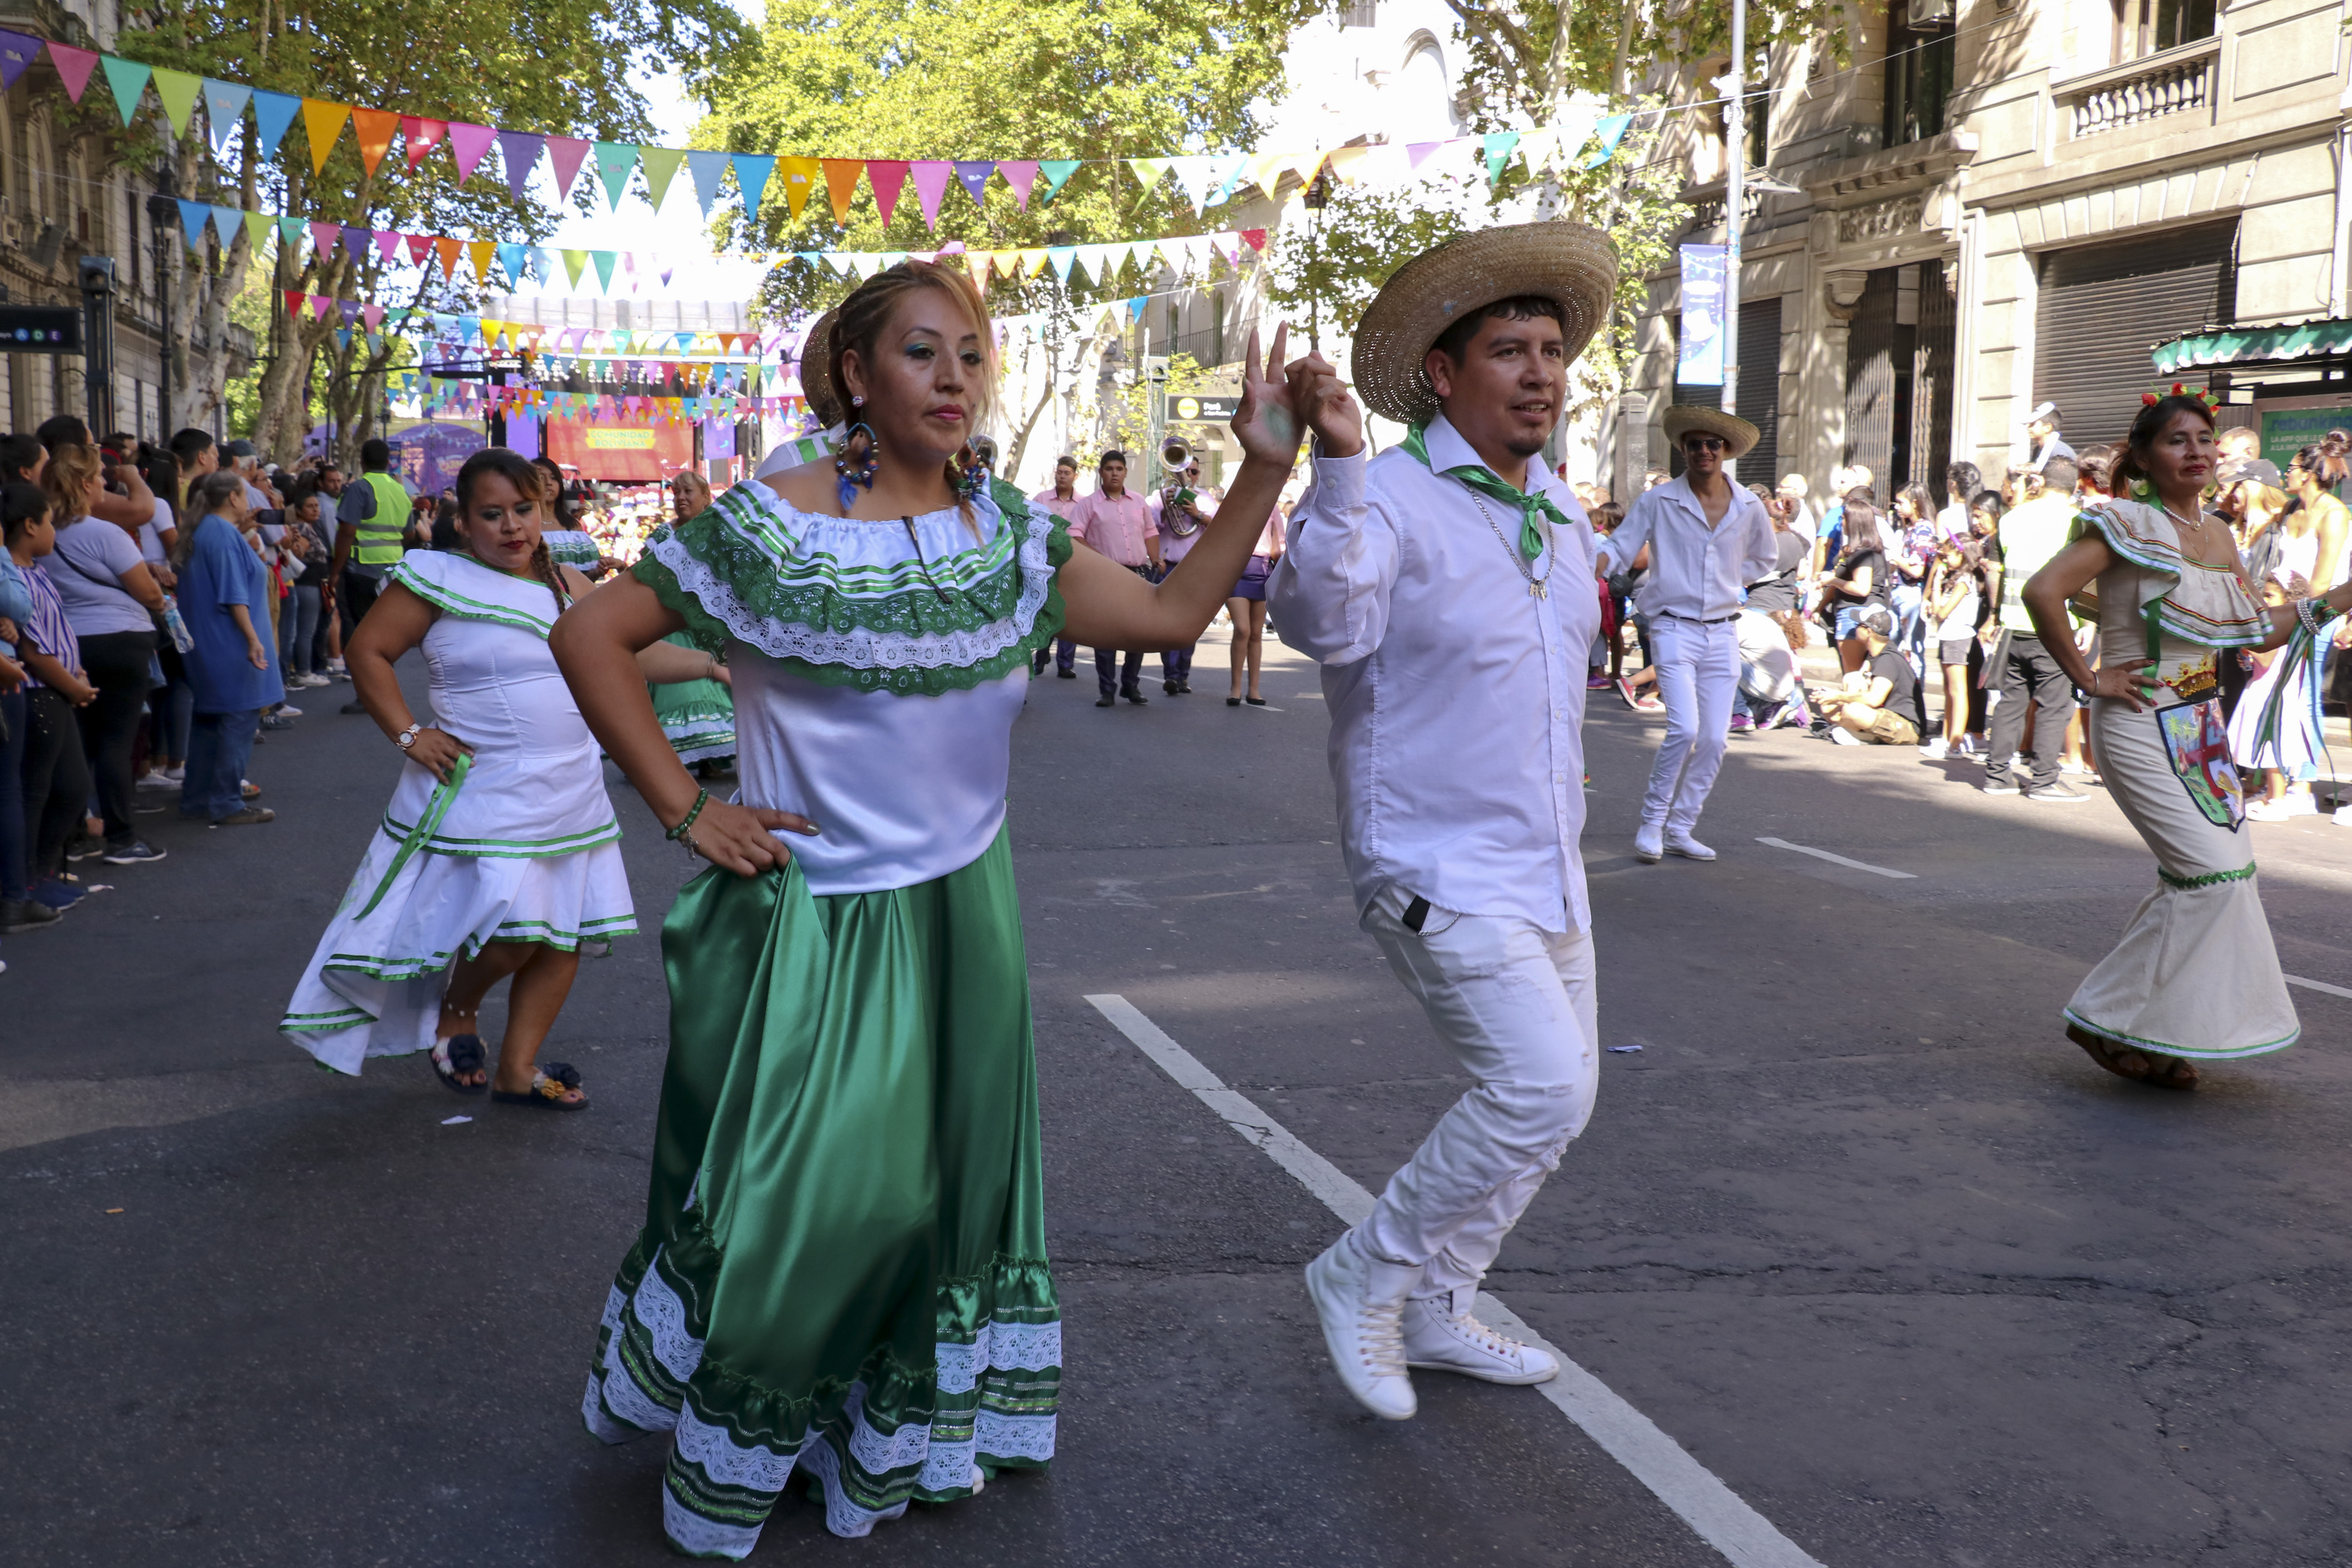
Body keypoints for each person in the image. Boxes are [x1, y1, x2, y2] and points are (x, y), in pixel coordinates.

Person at [548, 259, 1296, 1556]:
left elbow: (1174, 615)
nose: (952, 378)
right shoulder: (769, 523)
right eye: (920, 352)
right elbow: (589, 637)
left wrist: (1264, 467)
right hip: (815, 927)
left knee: (941, 1198)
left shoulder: (1003, 532)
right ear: (857, 371)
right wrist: (683, 806)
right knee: (837, 1203)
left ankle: (862, 1427)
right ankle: (744, 1432)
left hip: (965, 914)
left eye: (968, 355)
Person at [1270, 222, 1617, 1422]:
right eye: (1508, 350)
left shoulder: (1560, 513)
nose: (1538, 373)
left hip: (1544, 863)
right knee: (1527, 1086)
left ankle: (1437, 1299)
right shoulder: (1391, 495)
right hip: (1430, 859)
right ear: (1441, 372)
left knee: (1564, 1098)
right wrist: (1337, 463)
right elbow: (1318, 621)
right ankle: (1360, 1272)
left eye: (1549, 351)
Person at [278, 449, 634, 1100]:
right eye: (491, 514)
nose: (510, 527)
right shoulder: (437, 577)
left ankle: (517, 1069)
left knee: (561, 939)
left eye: (523, 510)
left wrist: (715, 664)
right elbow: (368, 650)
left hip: (572, 790)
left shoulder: (569, 584)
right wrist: (410, 734)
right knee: (519, 928)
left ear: (543, 507)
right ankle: (460, 1007)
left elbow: (633, 654)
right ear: (462, 520)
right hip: (489, 791)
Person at [2020, 390, 2352, 1088]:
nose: (2197, 450)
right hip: (2137, 723)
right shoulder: (2124, 522)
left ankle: (2144, 1028)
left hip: (2199, 729)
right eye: (2177, 440)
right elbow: (2041, 590)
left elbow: (2257, 630)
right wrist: (2090, 676)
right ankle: (2104, 1014)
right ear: (2142, 457)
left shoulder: (2222, 536)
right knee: (2210, 875)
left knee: (2206, 878)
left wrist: (2344, 593)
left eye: (2204, 437)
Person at [1595, 407, 1777, 863]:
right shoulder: (1659, 501)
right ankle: (1652, 823)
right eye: (1694, 444)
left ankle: (1680, 827)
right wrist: (1594, 565)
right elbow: (1620, 545)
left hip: (1722, 631)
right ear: (1683, 450)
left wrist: (1730, 583)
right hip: (1672, 626)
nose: (1703, 451)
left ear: (1725, 450)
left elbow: (1763, 558)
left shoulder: (1748, 505)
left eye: (1712, 444)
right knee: (1685, 729)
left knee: (1715, 738)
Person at [41, 443, 167, 866]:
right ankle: (121, 835)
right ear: (83, 484)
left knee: (76, 743)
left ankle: (74, 832)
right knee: (116, 739)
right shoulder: (105, 533)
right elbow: (148, 592)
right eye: (98, 478)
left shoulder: (43, 533)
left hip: (66, 643)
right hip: (121, 638)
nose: (102, 486)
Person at [171, 472, 281, 828]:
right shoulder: (221, 535)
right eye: (244, 494)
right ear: (233, 498)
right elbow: (235, 596)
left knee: (208, 723)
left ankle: (198, 798)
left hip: (207, 642)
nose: (249, 500)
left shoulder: (207, 531)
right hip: (230, 644)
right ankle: (226, 801)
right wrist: (253, 639)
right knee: (239, 721)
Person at [1982, 457, 2086, 801]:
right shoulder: (2078, 521)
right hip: (2053, 628)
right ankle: (2044, 780)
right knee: (2055, 706)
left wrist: (1996, 616)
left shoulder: (2012, 518)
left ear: (2041, 483)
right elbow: (2087, 577)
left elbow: (1994, 570)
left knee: (2011, 702)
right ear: (2075, 487)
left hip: (2013, 626)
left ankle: (1997, 776)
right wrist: (2089, 623)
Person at [647, 468, 736, 776]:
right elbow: (647, 577)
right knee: (684, 688)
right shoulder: (661, 536)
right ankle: (681, 759)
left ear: (706, 498)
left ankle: (712, 757)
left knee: (715, 684)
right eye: (676, 492)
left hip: (709, 622)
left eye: (688, 492)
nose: (681, 498)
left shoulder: (717, 533)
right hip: (672, 624)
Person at [328, 438, 414, 715]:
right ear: (390, 461)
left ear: (362, 461)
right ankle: (382, 689)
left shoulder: (360, 488)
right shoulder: (400, 491)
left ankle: (366, 694)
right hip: (392, 572)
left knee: (358, 633)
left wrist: (336, 570)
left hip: (361, 570)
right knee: (383, 632)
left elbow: (347, 532)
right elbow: (410, 534)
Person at [1069, 450, 1159, 706]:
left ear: (1125, 472)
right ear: (1101, 473)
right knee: (1107, 634)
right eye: (1109, 469)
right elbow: (1074, 534)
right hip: (1106, 574)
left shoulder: (1139, 501)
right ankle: (1107, 689)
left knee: (1139, 633)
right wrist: (1098, 559)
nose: (1115, 474)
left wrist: (1157, 560)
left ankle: (1131, 685)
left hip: (1139, 573)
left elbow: (1151, 532)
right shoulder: (1089, 504)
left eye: (1119, 469)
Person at [1731, 486, 1810, 733]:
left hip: (1761, 606)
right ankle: (1793, 703)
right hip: (1786, 606)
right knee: (1786, 659)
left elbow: (1747, 578)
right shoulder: (1795, 541)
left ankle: (1743, 710)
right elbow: (1804, 572)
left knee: (1739, 657)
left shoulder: (1766, 544)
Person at [1815, 606, 1924, 745]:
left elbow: (1874, 700)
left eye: (1858, 625)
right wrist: (1830, 697)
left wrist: (1837, 696)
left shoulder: (1889, 659)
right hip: (1883, 716)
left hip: (1905, 726)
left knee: (1853, 710)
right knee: (1832, 703)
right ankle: (1846, 731)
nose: (1855, 629)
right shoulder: (1873, 656)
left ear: (1869, 632)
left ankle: (1857, 735)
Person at [1919, 532, 1986, 758]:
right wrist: (1937, 586)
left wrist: (1937, 587)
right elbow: (1939, 612)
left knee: (1958, 691)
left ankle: (1956, 743)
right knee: (1950, 691)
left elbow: (1942, 613)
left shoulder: (1964, 582)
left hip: (1959, 637)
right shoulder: (1957, 579)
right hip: (1949, 637)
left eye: (1947, 556)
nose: (1945, 560)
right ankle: (1947, 739)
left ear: (1961, 553)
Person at [1154, 457, 1212, 693]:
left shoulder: (1206, 499)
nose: (1189, 475)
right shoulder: (1159, 497)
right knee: (1166, 623)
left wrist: (1197, 514)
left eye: (1193, 471)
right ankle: (1170, 674)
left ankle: (1183, 676)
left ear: (1198, 474)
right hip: (1168, 565)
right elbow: (1151, 527)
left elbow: (1219, 526)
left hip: (1194, 567)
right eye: (1184, 471)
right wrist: (1167, 512)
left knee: (1190, 623)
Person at [1224, 500, 1283, 706]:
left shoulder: (1272, 506)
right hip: (1236, 569)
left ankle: (1254, 690)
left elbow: (1278, 545)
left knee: (1256, 633)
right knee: (1242, 629)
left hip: (1262, 569)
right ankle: (1235, 689)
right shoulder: (1236, 501)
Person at [1821, 496, 1888, 673]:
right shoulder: (1865, 551)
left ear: (1854, 522)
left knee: (1852, 674)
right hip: (1866, 613)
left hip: (1855, 615)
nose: (1841, 522)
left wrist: (1833, 580)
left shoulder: (1863, 554)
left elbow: (1862, 588)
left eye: (1843, 518)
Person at [276, 482, 333, 688]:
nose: (316, 509)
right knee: (305, 630)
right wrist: (296, 546)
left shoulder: (308, 528)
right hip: (306, 584)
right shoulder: (301, 528)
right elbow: (298, 551)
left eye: (317, 506)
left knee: (305, 629)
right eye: (310, 506)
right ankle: (303, 671)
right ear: (298, 510)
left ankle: (303, 669)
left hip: (311, 583)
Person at [1029, 456, 1082, 676]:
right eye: (1060, 472)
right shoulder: (1041, 499)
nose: (1062, 476)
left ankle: (1066, 664)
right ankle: (1041, 656)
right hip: (1045, 563)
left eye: (1067, 473)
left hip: (1073, 563)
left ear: (1075, 476)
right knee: (1047, 609)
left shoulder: (1083, 503)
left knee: (1069, 612)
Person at [2022, 400, 2075, 473]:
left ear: (2048, 427)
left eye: (2033, 424)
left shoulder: (2059, 453)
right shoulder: (2038, 450)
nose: (2028, 428)